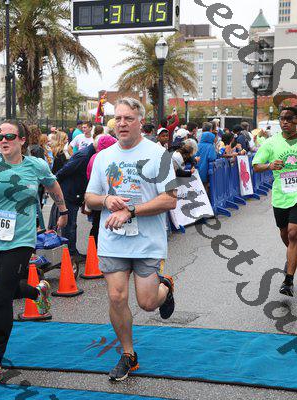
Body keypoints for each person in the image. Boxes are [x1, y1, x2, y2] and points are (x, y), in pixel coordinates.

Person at [0, 120, 68, 385]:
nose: (4, 141)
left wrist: (63, 210)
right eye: (0, 137)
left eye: (9, 136)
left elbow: (53, 186)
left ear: (22, 140)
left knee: (1, 296)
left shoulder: (36, 165)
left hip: (22, 240)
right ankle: (37, 292)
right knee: (7, 288)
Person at [85, 98, 177, 381]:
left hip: (147, 240)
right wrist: (106, 199)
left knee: (147, 303)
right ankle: (128, 354)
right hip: (113, 239)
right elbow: (89, 198)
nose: (122, 124)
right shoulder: (103, 157)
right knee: (116, 296)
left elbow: (170, 199)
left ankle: (165, 287)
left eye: (129, 118)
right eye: (118, 118)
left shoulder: (159, 155)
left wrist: (131, 210)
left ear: (141, 122)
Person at [252, 106, 297, 297]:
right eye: (282, 118)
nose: (285, 122)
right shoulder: (271, 142)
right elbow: (256, 166)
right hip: (280, 195)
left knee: (293, 233)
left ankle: (288, 281)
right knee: (284, 233)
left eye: (289, 118)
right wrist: (270, 165)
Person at [86, 134, 118, 245]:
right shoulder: (104, 158)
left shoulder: (94, 157)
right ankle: (96, 247)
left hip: (95, 195)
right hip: (103, 196)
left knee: (95, 223)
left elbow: (89, 175)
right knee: (101, 223)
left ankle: (93, 247)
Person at [195, 122, 217, 191]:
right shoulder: (210, 146)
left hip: (196, 169)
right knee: (205, 186)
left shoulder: (198, 145)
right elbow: (212, 157)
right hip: (206, 169)